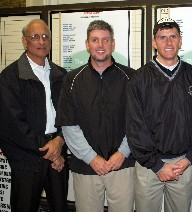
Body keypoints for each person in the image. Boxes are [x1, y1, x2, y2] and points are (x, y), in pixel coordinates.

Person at [126, 17, 192, 212]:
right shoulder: (139, 79)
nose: (168, 42)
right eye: (162, 37)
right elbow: (134, 126)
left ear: (180, 40)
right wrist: (156, 165)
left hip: (183, 164)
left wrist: (190, 157)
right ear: (154, 42)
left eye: (173, 36)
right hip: (149, 167)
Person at [56, 20, 135, 212]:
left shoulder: (132, 78)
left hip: (122, 165)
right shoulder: (71, 79)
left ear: (113, 44)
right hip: (85, 167)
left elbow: (138, 122)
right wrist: (92, 158)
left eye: (105, 40)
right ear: (87, 44)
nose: (100, 45)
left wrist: (122, 153)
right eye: (95, 40)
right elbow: (68, 125)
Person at [0, 19, 68, 212]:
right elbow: (12, 126)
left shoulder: (60, 75)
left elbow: (69, 114)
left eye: (45, 36)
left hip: (58, 153)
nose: (41, 41)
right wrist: (49, 152)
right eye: (35, 37)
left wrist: (60, 141)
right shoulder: (10, 77)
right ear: (24, 41)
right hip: (27, 159)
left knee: (60, 207)